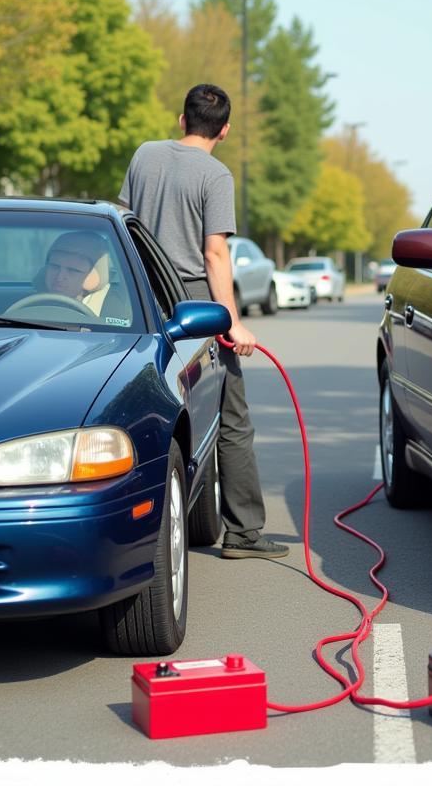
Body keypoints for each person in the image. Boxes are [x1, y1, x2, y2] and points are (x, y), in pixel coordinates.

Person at [118, 83, 288, 560]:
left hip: (139, 293)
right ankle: (244, 533)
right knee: (229, 415)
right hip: (191, 300)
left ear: (181, 119)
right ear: (225, 130)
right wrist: (231, 321)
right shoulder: (216, 175)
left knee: (153, 401)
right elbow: (215, 253)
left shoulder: (144, 156)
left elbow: (124, 222)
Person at [37, 232, 109, 306]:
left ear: (93, 276)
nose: (59, 277)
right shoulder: (28, 305)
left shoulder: (112, 309)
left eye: (73, 270)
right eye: (55, 267)